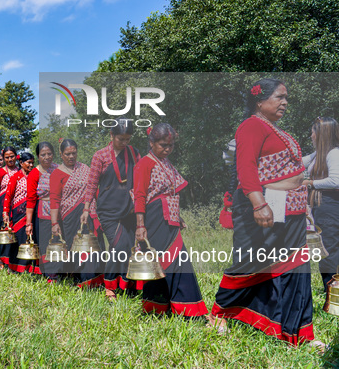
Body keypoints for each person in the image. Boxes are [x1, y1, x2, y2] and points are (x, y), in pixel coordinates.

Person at [210, 79, 319, 347]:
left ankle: (299, 334)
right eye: (279, 97)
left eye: (286, 98)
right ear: (260, 101)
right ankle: (219, 313)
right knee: (251, 262)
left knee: (296, 264)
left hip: (287, 206)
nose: (285, 102)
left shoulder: (273, 128)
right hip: (262, 206)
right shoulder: (251, 126)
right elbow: (245, 167)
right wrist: (259, 204)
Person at [133, 123, 208, 317]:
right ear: (151, 143)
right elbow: (140, 196)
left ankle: (177, 309)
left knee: (178, 261)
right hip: (155, 218)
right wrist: (140, 226)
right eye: (163, 145)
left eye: (171, 145)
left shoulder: (165, 163)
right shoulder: (144, 164)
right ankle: (166, 309)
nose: (167, 149)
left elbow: (171, 192)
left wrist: (178, 215)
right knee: (161, 263)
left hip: (170, 218)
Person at [82, 119, 141, 300]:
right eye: (120, 139)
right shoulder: (101, 156)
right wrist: (86, 209)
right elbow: (92, 183)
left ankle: (127, 286)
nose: (124, 143)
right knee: (118, 245)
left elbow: (140, 177)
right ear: (111, 135)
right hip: (108, 211)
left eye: (127, 139)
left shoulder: (133, 153)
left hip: (129, 209)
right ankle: (109, 287)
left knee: (131, 247)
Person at [50, 139, 103, 286]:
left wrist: (101, 212)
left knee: (92, 247)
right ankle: (78, 280)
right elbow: (54, 200)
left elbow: (94, 190)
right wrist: (54, 223)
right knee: (77, 250)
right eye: (67, 154)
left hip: (88, 214)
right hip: (69, 217)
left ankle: (93, 280)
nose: (71, 156)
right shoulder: (57, 174)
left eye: (74, 153)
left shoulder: (85, 168)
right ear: (61, 154)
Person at [302, 116, 339, 292]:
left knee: (329, 249)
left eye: (313, 132)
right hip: (322, 206)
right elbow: (299, 162)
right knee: (326, 249)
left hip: (329, 206)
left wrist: (309, 183)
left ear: (321, 134)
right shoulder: (318, 155)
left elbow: (335, 181)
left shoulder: (333, 154)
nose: (311, 136)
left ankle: (332, 295)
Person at [26, 143, 58, 280]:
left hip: (60, 211)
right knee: (45, 243)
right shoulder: (34, 173)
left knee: (58, 241)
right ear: (38, 156)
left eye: (49, 154)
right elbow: (31, 199)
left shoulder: (59, 169)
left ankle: (60, 271)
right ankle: (50, 274)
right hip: (42, 212)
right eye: (43, 155)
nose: (47, 157)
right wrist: (28, 223)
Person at [2, 152, 36, 273]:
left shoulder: (35, 176)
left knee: (30, 239)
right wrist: (5, 212)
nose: (31, 165)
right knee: (18, 239)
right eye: (29, 162)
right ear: (21, 163)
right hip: (18, 212)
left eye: (33, 162)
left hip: (32, 212)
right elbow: (8, 196)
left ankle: (28, 267)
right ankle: (14, 267)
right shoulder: (15, 177)